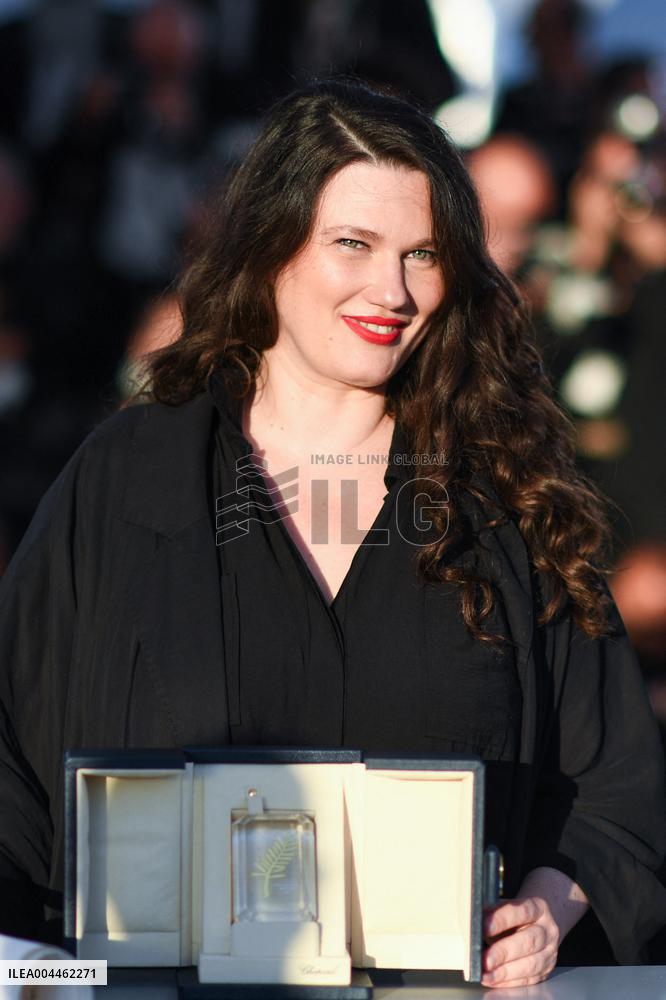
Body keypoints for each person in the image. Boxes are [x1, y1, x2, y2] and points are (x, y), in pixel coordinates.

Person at [0, 80, 664, 988]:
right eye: (353, 243)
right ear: (271, 246)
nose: (390, 291)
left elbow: (613, 786)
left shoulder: (507, 493)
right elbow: (10, 767)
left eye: (422, 254)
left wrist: (551, 904)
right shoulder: (126, 480)